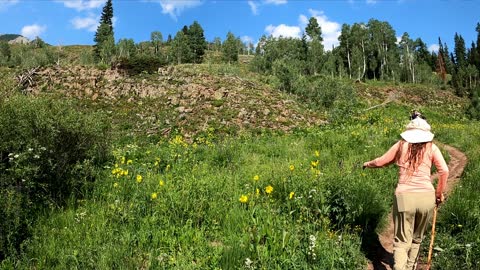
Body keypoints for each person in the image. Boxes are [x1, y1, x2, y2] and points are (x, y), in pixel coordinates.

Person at [363, 111, 449, 270]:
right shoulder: (432, 147)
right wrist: (438, 194)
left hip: (404, 197)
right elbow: (444, 171)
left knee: (402, 242)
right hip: (426, 198)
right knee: (417, 239)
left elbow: (382, 161)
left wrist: (368, 163)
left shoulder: (401, 145)